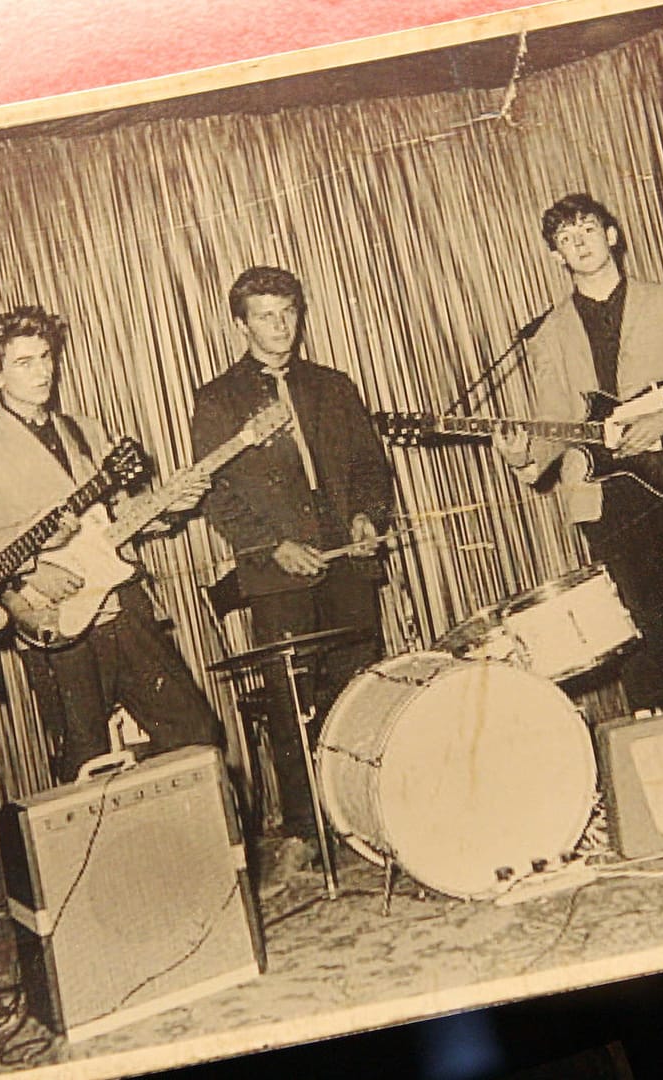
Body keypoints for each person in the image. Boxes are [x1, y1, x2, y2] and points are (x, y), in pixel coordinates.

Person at [493, 193, 663, 715]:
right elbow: (554, 416)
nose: (581, 245)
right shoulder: (548, 333)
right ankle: (658, 740)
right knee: (636, 629)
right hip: (605, 491)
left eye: (588, 231)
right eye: (566, 240)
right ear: (555, 256)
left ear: (612, 235)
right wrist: (519, 456)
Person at [0, 305, 221, 786]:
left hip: (123, 603)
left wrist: (171, 506)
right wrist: (24, 576)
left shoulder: (85, 430)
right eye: (24, 362)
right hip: (55, 619)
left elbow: (121, 519)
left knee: (194, 730)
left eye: (46, 357)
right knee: (84, 759)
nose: (43, 371)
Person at [189, 266, 395, 886]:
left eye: (288, 313)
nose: (280, 327)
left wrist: (365, 516)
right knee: (292, 704)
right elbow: (216, 496)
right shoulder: (217, 399)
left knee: (360, 689)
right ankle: (305, 831)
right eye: (265, 316)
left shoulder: (334, 386)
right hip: (277, 575)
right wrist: (271, 546)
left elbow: (369, 466)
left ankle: (375, 814)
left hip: (346, 565)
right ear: (241, 323)